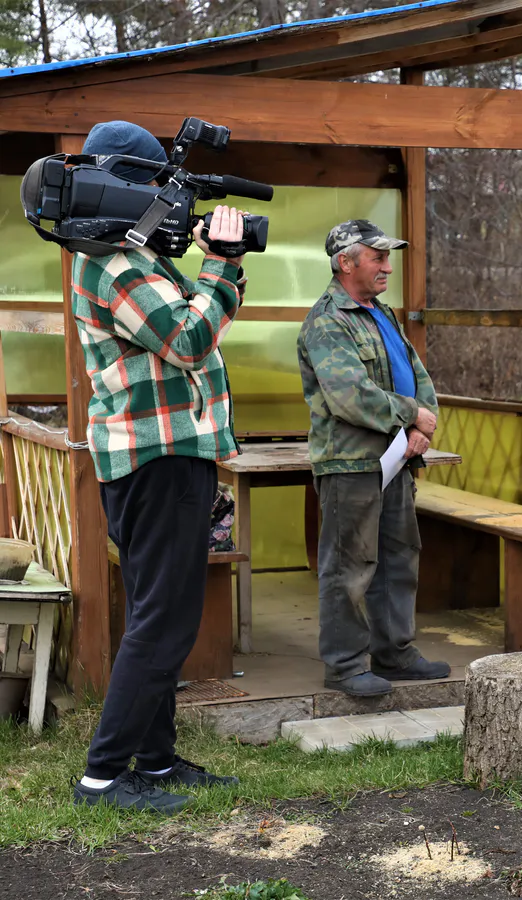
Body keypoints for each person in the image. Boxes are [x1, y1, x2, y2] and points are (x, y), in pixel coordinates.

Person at [70, 120, 243, 813]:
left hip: (161, 454)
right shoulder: (116, 265)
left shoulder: (124, 254)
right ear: (129, 186)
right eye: (154, 187)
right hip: (158, 457)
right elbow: (189, 338)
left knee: (155, 614)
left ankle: (157, 762)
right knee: (163, 623)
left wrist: (208, 271)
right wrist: (222, 267)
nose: (163, 202)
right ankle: (104, 778)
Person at [298, 219, 449, 699]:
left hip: (396, 457)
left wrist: (422, 426)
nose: (388, 265)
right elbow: (349, 395)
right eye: (377, 256)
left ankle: (395, 653)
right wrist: (412, 417)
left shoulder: (379, 312)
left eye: (389, 256)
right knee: (350, 566)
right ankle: (344, 666)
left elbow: (417, 375)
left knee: (398, 557)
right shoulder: (327, 320)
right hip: (351, 463)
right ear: (346, 262)